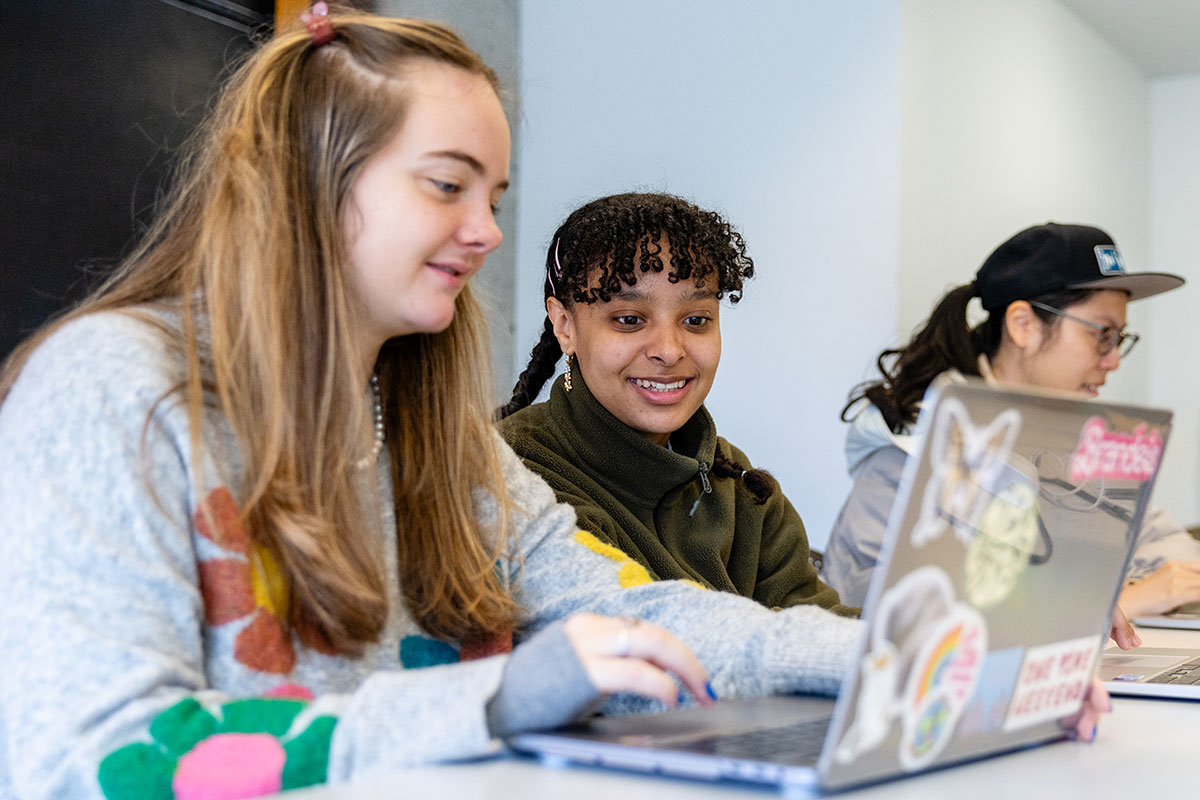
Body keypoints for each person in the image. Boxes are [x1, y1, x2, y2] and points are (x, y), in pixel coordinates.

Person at [0, 11, 873, 800]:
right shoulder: (109, 386)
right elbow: (94, 754)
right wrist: (493, 699)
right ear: (310, 180)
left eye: (492, 197)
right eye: (448, 186)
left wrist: (882, 653)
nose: (488, 232)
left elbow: (630, 615)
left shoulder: (435, 426)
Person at [497, 193, 856, 616]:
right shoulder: (514, 480)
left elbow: (825, 622)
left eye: (696, 320)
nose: (669, 350)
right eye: (629, 320)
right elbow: (644, 632)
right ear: (565, 326)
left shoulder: (737, 484)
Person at [823, 221, 1200, 619]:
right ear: (1023, 325)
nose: (1113, 361)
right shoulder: (911, 450)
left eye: (1119, 338)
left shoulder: (1077, 440)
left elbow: (1171, 553)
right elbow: (891, 616)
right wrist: (1116, 601)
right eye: (1102, 334)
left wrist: (1110, 594)